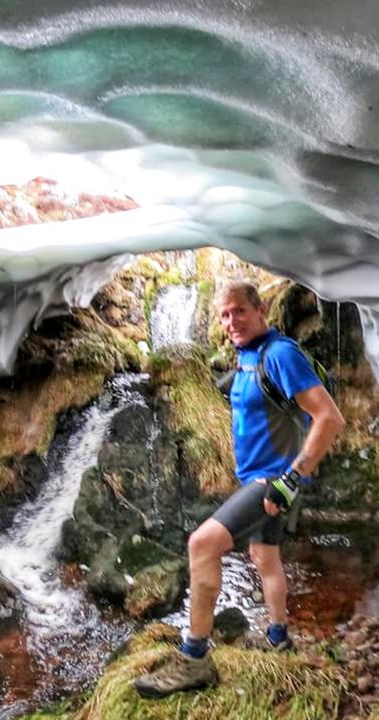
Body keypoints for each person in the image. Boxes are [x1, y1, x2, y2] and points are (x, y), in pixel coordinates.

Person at [134, 279, 346, 698]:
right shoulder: (248, 357)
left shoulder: (280, 354)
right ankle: (278, 637)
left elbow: (330, 418)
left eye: (240, 311)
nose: (232, 321)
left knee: (201, 545)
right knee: (264, 557)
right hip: (260, 478)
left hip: (274, 481)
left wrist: (292, 479)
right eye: (225, 315)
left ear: (261, 309)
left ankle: (195, 658)